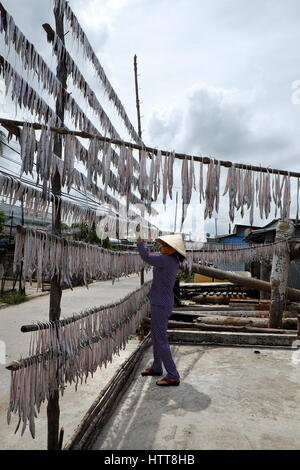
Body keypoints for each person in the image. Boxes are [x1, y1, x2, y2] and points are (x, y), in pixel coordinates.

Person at [136, 225, 186, 386]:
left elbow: (146, 256)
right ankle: (157, 366)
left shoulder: (166, 260)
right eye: (162, 245)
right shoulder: (171, 260)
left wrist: (139, 240)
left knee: (161, 338)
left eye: (164, 245)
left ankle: (172, 374)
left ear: (172, 250)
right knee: (156, 336)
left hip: (161, 303)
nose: (161, 247)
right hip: (161, 301)